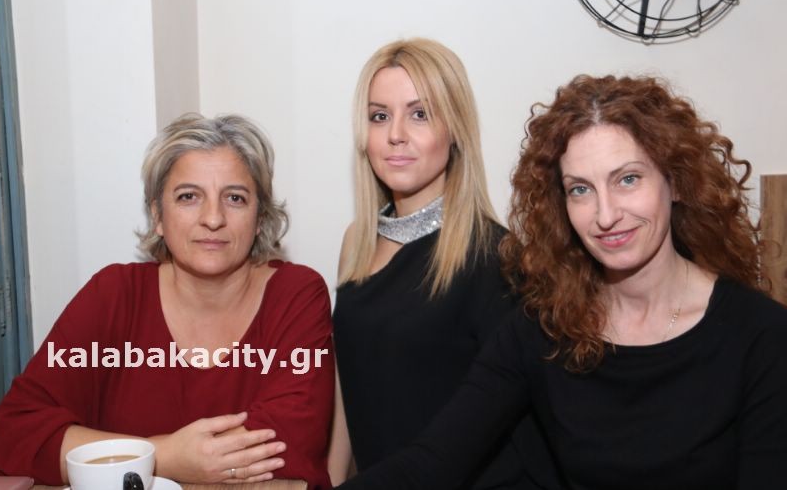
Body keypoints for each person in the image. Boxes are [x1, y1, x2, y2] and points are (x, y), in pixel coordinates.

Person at [335, 74, 787, 489]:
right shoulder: (543, 329)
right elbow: (431, 463)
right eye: (580, 189)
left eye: (628, 179)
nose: (606, 215)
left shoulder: (760, 336)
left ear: (677, 182)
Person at [0, 113, 335, 489]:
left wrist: (114, 460)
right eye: (188, 197)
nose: (213, 218)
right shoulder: (113, 295)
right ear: (157, 215)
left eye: (235, 198)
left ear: (260, 218)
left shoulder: (296, 295)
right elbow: (14, 434)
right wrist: (165, 455)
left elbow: (290, 446)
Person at [328, 38, 551, 488]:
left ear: (456, 130)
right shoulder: (356, 241)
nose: (395, 134)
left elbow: (497, 422)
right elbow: (347, 386)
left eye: (420, 114)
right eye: (379, 116)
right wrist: (329, 480)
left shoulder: (495, 257)